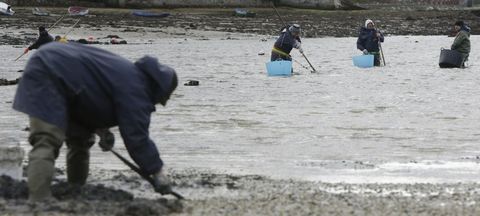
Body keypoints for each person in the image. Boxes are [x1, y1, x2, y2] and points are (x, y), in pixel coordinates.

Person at [13, 42, 178, 202]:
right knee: (46, 140)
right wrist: (157, 171)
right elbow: (137, 138)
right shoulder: (137, 89)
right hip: (50, 70)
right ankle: (39, 201)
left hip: (57, 67)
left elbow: (93, 95)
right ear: (159, 90)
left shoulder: (128, 74)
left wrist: (102, 130)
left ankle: (75, 191)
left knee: (81, 140)